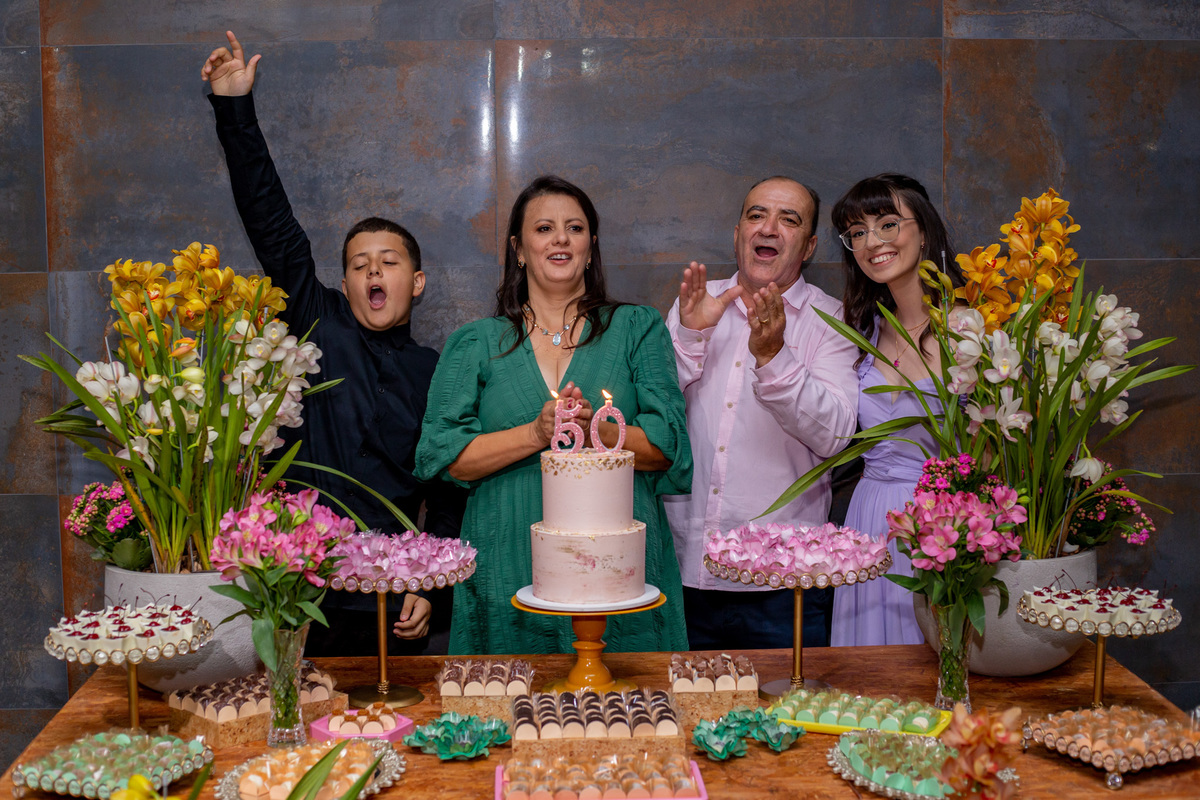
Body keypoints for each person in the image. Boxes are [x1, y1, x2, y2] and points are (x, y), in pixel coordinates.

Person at [201, 31, 462, 654]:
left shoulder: (438, 370)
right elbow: (274, 226)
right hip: (300, 596)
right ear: (344, 285)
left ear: (416, 282)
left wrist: (434, 589)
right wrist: (234, 108)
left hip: (392, 601)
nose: (374, 271)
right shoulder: (318, 324)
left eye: (389, 262)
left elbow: (449, 490)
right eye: (360, 264)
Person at [415, 175, 692, 655]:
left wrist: (598, 428)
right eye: (544, 228)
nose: (561, 239)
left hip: (616, 577)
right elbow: (445, 458)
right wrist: (536, 432)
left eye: (575, 228)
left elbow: (668, 448)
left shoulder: (637, 328)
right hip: (507, 560)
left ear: (591, 245)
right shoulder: (475, 342)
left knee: (628, 698)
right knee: (508, 698)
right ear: (518, 249)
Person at [664, 176, 858, 650]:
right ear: (737, 234)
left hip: (785, 581)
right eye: (756, 215)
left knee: (788, 701)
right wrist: (690, 336)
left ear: (809, 247)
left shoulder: (832, 320)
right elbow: (655, 414)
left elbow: (835, 436)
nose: (768, 228)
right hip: (684, 569)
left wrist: (774, 357)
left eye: (788, 219)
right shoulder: (695, 303)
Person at [829, 173, 964, 646]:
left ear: (924, 231)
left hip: (945, 523)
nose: (872, 242)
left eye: (887, 224)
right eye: (857, 232)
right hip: (869, 519)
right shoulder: (859, 331)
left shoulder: (971, 329)